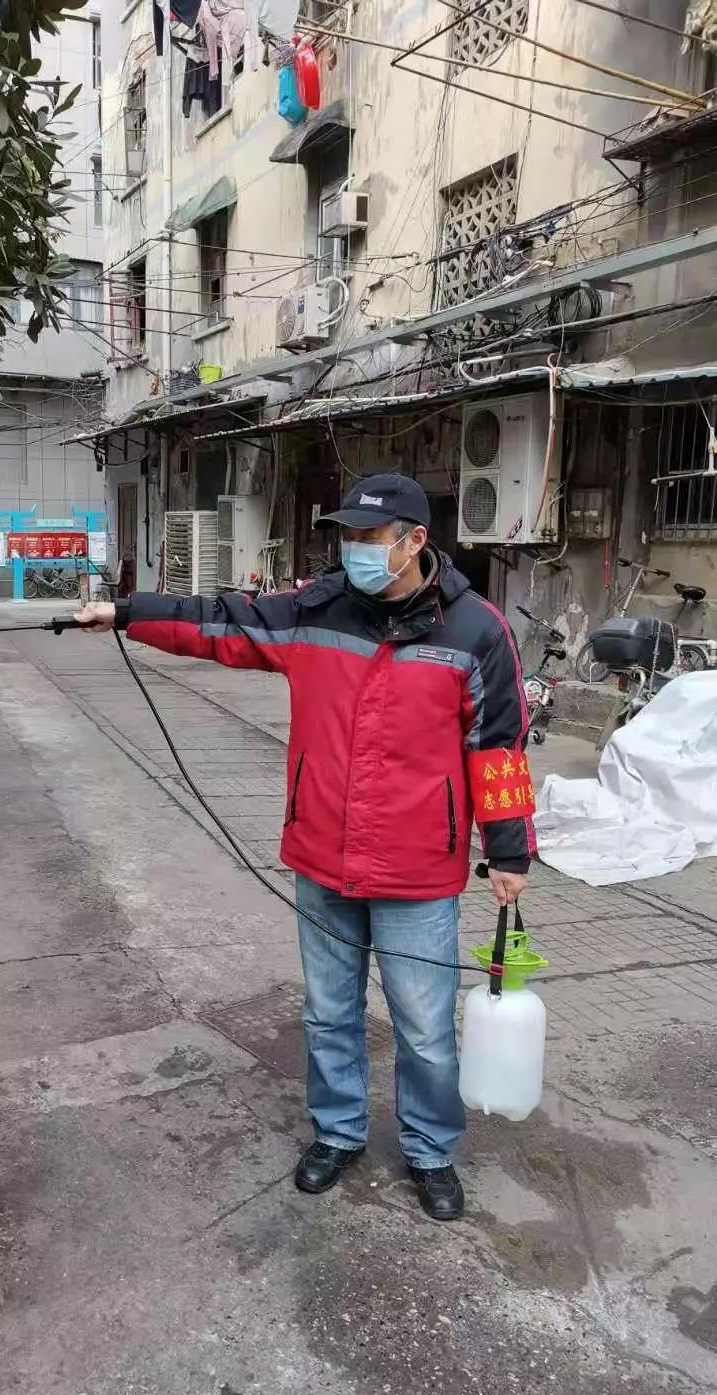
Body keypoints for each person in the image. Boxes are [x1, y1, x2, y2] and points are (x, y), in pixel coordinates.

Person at [75, 473, 533, 1221]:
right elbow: (221, 621)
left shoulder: (476, 630)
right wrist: (127, 612)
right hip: (323, 852)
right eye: (346, 536)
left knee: (424, 1028)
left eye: (367, 537)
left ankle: (429, 1149)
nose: (352, 549)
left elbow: (499, 748)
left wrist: (509, 853)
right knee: (328, 1013)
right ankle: (338, 1131)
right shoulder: (314, 612)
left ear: (415, 541)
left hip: (417, 868)